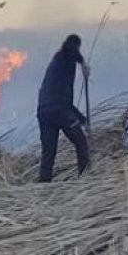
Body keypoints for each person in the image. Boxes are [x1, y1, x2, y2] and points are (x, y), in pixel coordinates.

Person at [37, 34, 92, 182]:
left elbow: (66, 104)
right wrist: (83, 63)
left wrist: (82, 120)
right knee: (81, 141)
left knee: (49, 152)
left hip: (44, 111)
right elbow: (69, 46)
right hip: (58, 110)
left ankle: (43, 185)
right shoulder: (64, 56)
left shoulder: (57, 68)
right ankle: (86, 179)